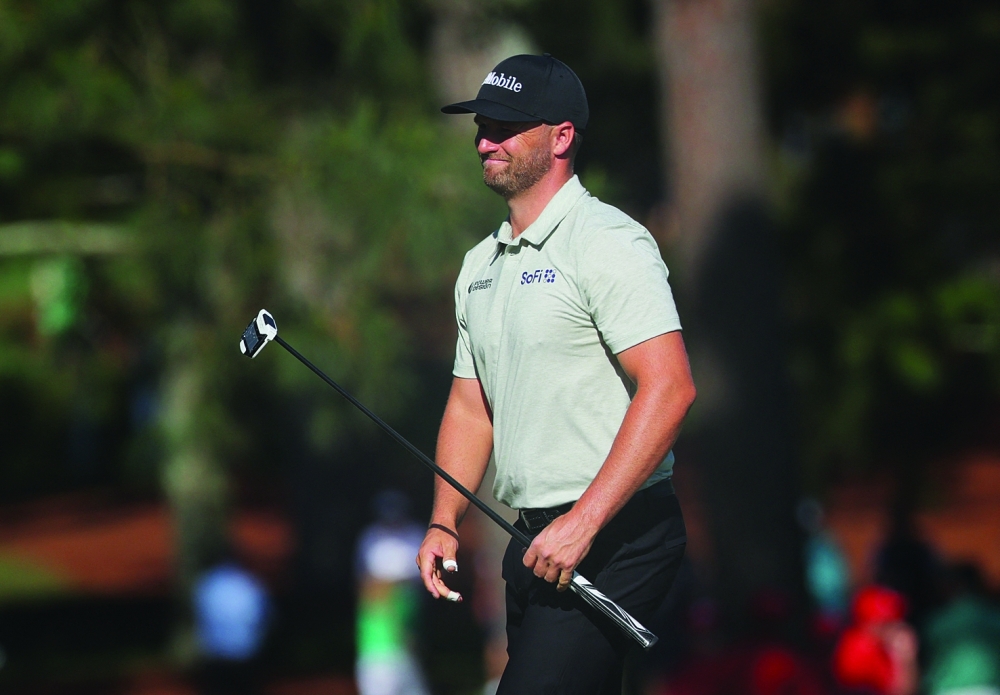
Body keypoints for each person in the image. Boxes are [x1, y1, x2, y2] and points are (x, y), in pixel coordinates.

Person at [415, 54, 695, 694]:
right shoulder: (479, 265)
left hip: (617, 533)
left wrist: (585, 522)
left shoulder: (607, 243)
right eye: (483, 125)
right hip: (532, 541)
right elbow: (470, 407)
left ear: (562, 136)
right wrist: (443, 517)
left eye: (507, 126)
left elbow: (671, 387)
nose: (486, 140)